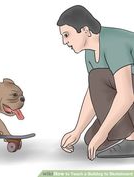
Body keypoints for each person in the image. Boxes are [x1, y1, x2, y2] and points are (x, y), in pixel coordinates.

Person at [57, 5, 134, 160]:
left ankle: (131, 138)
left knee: (97, 77)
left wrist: (103, 132)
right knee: (89, 138)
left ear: (85, 30)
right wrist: (77, 131)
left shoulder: (113, 43)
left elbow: (126, 96)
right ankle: (124, 135)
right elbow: (94, 93)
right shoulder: (91, 53)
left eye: (67, 35)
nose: (64, 41)